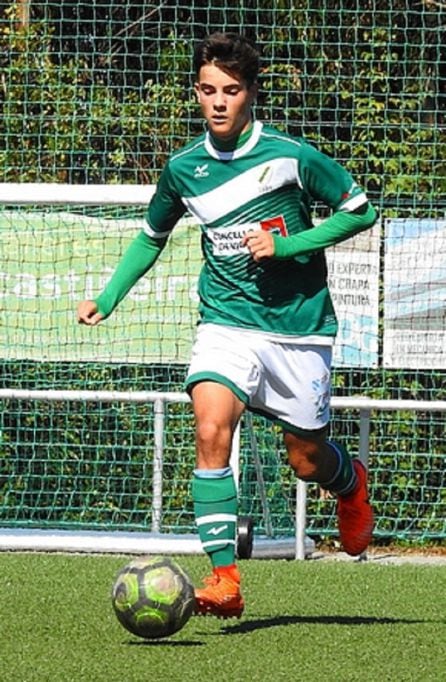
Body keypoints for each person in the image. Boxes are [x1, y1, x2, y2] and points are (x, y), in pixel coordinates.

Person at [77, 32, 376, 619]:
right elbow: (151, 236)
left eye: (231, 91)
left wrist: (291, 245)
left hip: (299, 327)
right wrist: (109, 297)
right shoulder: (183, 169)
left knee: (304, 459)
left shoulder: (291, 156)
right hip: (227, 321)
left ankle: (350, 484)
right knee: (211, 427)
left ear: (251, 94)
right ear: (196, 93)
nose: (218, 102)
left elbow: (360, 211)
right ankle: (224, 580)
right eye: (208, 90)